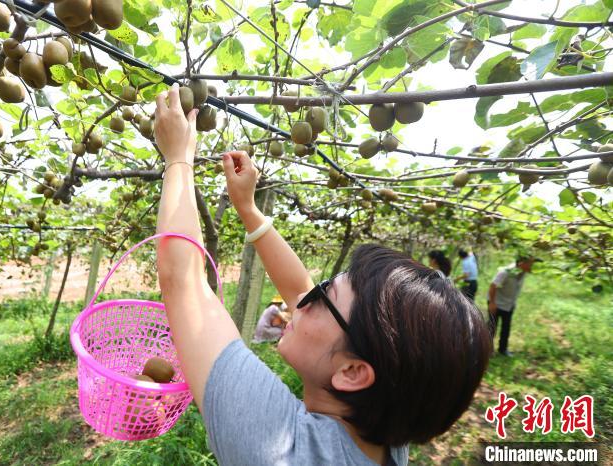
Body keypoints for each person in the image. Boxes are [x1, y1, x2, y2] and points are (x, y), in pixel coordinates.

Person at [153, 83, 491, 466]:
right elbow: (302, 293)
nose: (303, 301)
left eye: (324, 295)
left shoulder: (280, 450)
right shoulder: (386, 430)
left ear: (352, 371)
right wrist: (248, 209)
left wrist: (178, 157)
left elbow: (183, 282)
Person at [487, 255, 538, 357]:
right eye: (530, 263)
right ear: (521, 263)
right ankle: (487, 349)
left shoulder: (523, 271)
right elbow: (493, 285)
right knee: (492, 327)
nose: (532, 266)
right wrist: (492, 303)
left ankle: (503, 349)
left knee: (506, 328)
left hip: (509, 304)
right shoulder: (505, 272)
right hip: (496, 303)